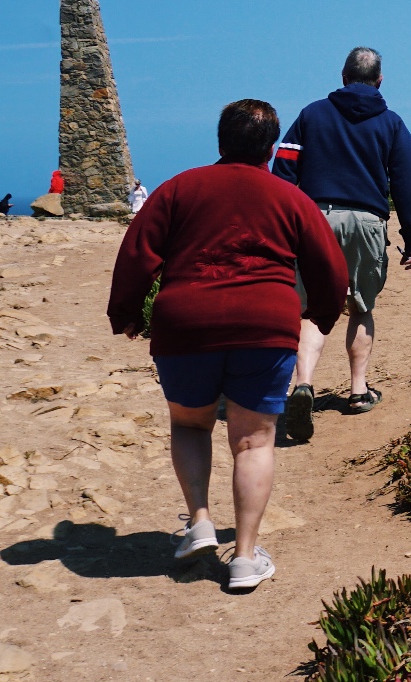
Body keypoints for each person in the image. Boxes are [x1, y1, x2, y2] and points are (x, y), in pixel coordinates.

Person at [106, 99, 347, 593]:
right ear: (273, 147)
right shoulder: (290, 197)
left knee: (190, 424)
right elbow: (330, 266)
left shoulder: (178, 189)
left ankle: (198, 521)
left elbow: (137, 252)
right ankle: (243, 557)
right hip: (265, 325)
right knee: (253, 440)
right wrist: (320, 313)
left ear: (220, 141)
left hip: (186, 325)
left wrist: (127, 313)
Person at [271, 48, 411, 441]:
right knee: (360, 305)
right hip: (368, 220)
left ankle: (303, 384)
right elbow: (406, 184)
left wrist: (284, 218)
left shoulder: (312, 114)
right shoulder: (392, 123)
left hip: (315, 217)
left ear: (342, 75)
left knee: (309, 308)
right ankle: (358, 391)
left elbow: (284, 165)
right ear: (380, 79)